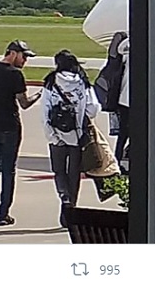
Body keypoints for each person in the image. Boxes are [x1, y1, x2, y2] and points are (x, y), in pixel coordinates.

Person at [0, 40, 42, 226]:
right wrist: (39, 94)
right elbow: (24, 103)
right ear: (13, 53)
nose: (25, 61)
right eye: (24, 56)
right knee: (8, 171)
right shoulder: (15, 74)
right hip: (10, 127)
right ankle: (3, 213)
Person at [41, 50, 101, 227]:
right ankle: (71, 207)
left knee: (59, 171)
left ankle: (64, 197)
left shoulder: (51, 81)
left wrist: (51, 135)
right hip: (77, 136)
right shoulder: (82, 82)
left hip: (57, 136)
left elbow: (44, 111)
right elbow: (93, 108)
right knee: (74, 174)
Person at [115, 37, 130, 173]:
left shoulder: (126, 53)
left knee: (123, 133)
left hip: (123, 100)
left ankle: (117, 160)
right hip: (131, 100)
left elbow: (120, 49)